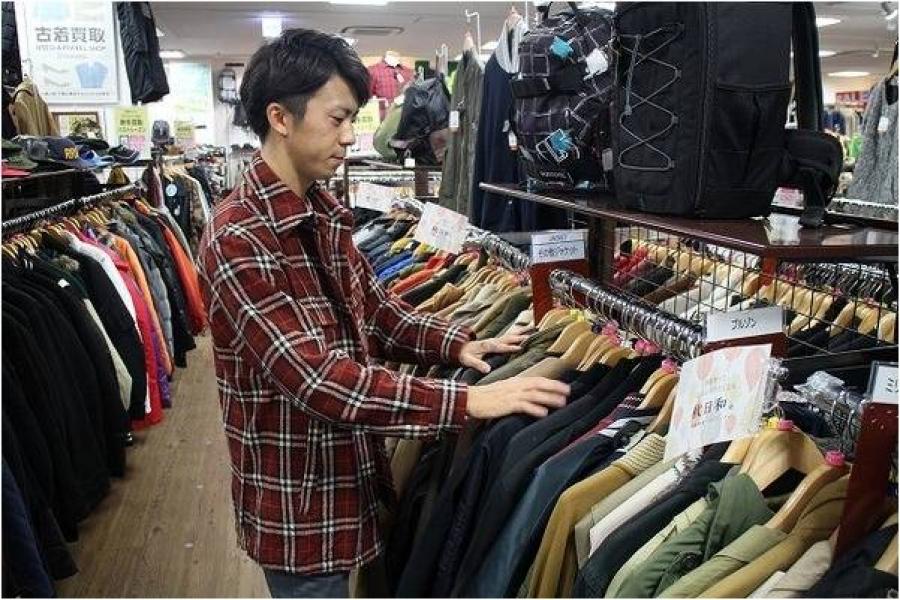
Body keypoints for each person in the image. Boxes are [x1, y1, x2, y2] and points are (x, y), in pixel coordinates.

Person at [197, 28, 570, 599]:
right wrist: (466, 400)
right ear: (280, 117)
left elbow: (377, 313)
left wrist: (459, 342)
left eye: (352, 119)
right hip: (299, 509)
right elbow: (317, 379)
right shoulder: (237, 236)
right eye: (338, 118)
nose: (350, 136)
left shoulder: (322, 210)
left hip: (354, 482)